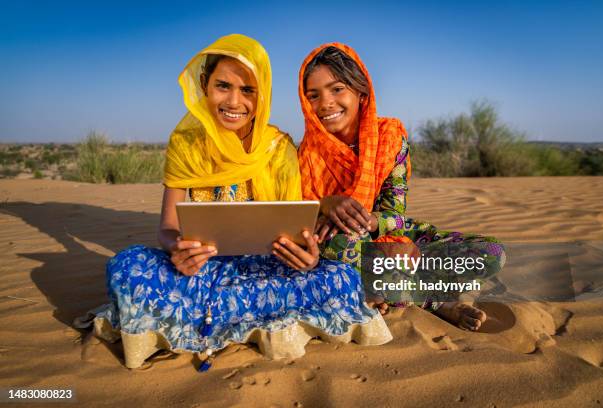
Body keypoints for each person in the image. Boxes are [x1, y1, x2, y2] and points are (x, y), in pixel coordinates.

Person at [92, 35, 391, 370]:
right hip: (202, 268)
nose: (235, 101)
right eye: (223, 86)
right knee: (126, 267)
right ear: (205, 86)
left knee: (340, 278)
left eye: (248, 90)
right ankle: (237, 313)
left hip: (268, 267)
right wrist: (178, 249)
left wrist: (307, 257)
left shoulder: (278, 147)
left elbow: (295, 227)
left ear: (261, 94)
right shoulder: (185, 144)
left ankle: (209, 314)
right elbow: (167, 227)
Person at [297, 43, 506, 331]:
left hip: (388, 235)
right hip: (341, 248)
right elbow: (302, 224)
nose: (325, 103)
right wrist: (324, 205)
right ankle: (435, 301)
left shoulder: (391, 139)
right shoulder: (306, 154)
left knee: (491, 252)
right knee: (336, 249)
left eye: (337, 89)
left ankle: (386, 291)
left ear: (361, 91)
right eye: (313, 95)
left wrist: (372, 223)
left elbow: (395, 213)